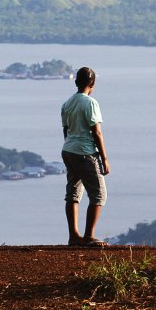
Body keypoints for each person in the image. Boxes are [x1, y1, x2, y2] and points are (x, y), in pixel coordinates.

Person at [61, 66, 111, 247]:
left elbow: (66, 131)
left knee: (73, 194)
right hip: (85, 153)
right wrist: (104, 159)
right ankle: (89, 236)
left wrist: (71, 149)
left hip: (69, 150)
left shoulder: (67, 103)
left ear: (76, 82)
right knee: (98, 195)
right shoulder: (90, 103)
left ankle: (74, 236)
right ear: (93, 84)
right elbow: (96, 132)